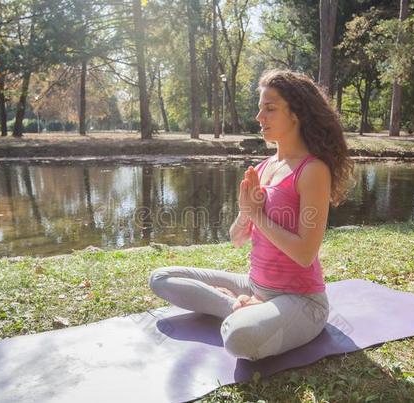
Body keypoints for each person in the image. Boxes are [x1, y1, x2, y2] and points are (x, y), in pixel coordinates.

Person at [149, 69, 353, 361]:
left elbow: (305, 254)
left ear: (296, 114)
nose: (260, 117)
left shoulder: (312, 170)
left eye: (270, 109)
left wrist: (257, 216)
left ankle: (244, 312)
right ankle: (237, 305)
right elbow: (236, 238)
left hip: (300, 301)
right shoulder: (261, 168)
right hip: (253, 284)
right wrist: (246, 213)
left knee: (238, 339)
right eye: (260, 109)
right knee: (161, 278)